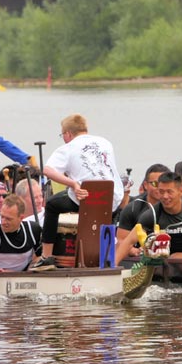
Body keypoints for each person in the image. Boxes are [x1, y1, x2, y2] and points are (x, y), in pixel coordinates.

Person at [33, 114, 123, 270]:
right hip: (112, 198)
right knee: (105, 212)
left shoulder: (68, 148)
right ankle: (107, 257)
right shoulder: (105, 143)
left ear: (68, 133)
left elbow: (47, 170)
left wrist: (72, 183)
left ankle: (46, 257)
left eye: (63, 135)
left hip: (86, 197)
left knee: (52, 205)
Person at [135, 172, 182, 260]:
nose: (165, 196)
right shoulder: (152, 214)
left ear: (180, 191)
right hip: (165, 257)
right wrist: (114, 266)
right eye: (161, 192)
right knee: (181, 257)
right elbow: (128, 242)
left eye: (169, 192)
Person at [0, 195, 45, 274]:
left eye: (8, 219)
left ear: (21, 218)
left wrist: (28, 270)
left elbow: (41, 257)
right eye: (2, 217)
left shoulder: (33, 230)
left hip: (23, 279)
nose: (3, 222)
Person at [116, 164, 170, 244]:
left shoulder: (176, 208)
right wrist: (132, 251)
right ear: (145, 185)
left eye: (163, 184)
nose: (160, 188)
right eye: (155, 184)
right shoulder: (132, 208)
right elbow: (121, 240)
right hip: (138, 254)